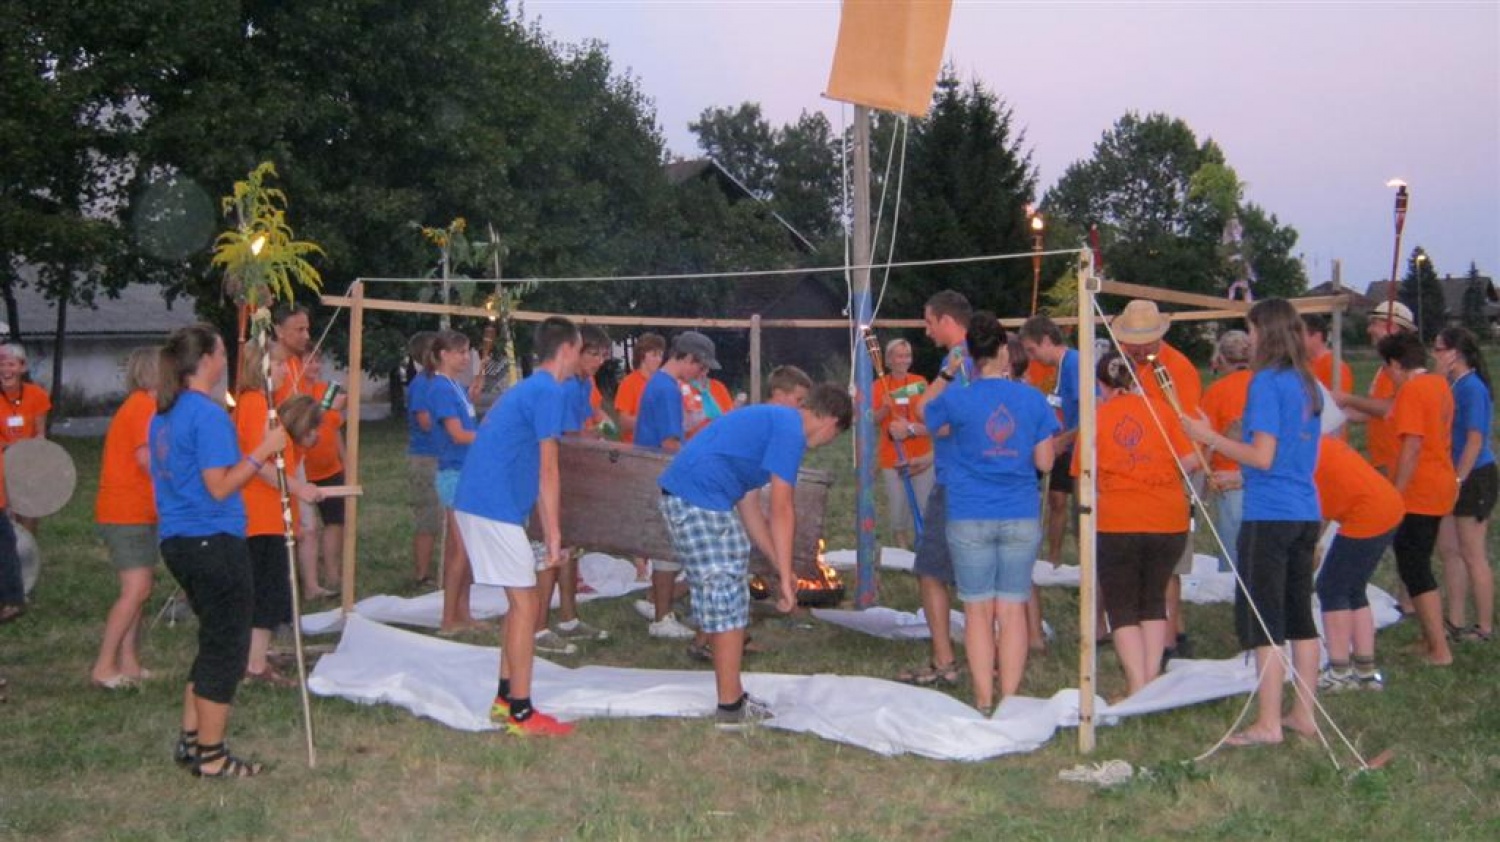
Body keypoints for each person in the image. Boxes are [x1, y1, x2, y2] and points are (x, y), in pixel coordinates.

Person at [659, 383, 852, 728]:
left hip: (693, 498)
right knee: (729, 599)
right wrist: (790, 582)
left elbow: (750, 508)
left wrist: (781, 568)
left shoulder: (775, 423)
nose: (826, 444)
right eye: (833, 436)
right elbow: (782, 508)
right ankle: (731, 707)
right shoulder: (790, 430)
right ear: (830, 421)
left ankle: (731, 696)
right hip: (699, 500)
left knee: (727, 592)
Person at [1181, 298, 1322, 746]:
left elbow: (1262, 455)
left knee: (1267, 620)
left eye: (1253, 330)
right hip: (1304, 508)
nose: (1251, 339)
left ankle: (1268, 723)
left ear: (1266, 332)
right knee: (1301, 617)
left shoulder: (1266, 383)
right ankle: (1303, 714)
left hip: (1271, 513)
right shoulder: (1306, 382)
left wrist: (1210, 438)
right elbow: (1284, 454)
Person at [151, 324, 287, 777]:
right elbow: (220, 485)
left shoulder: (164, 414)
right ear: (206, 358)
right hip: (212, 539)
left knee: (213, 641)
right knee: (228, 648)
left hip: (180, 539)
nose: (227, 357)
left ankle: (192, 739)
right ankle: (212, 755)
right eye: (222, 350)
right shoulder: (205, 415)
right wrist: (262, 452)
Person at [454, 317, 583, 737]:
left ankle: (504, 699)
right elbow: (549, 468)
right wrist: (554, 534)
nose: (580, 359)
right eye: (580, 350)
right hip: (492, 508)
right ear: (566, 350)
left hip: (484, 503)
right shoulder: (549, 390)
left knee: (519, 602)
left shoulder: (532, 388)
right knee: (528, 605)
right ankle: (521, 714)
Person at [922, 313, 1056, 712]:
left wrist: (948, 375)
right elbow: (1046, 463)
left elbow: (923, 414)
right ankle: (1010, 699)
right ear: (1003, 351)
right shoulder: (1032, 398)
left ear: (970, 354)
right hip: (1019, 513)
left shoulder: (958, 397)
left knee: (977, 610)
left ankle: (982, 699)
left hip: (968, 513)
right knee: (1011, 608)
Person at [1083, 352, 1198, 697]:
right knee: (1152, 599)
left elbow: (1083, 471)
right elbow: (1190, 460)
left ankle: (1137, 683)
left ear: (1102, 385)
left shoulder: (1097, 418)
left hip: (1118, 521)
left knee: (1122, 605)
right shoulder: (1162, 410)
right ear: (1136, 379)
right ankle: (1150, 679)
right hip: (1168, 518)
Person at [1111, 299, 1203, 659]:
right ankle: (1156, 631)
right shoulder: (1127, 367)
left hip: (1168, 470)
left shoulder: (1177, 368)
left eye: (1141, 341)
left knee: (1168, 563)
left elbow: (1186, 421)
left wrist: (1182, 469)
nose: (1134, 348)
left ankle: (1170, 637)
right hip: (1135, 473)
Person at [889, 290, 971, 687]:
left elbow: (942, 418)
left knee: (930, 570)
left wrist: (916, 429)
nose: (926, 329)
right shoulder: (987, 357)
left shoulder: (956, 363)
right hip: (980, 480)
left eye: (928, 321)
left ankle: (945, 661)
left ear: (946, 321)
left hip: (957, 483)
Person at [234, 341, 324, 687]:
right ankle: (255, 665)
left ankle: (256, 655)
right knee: (267, 589)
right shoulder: (255, 403)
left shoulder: (258, 403)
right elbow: (260, 463)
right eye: (282, 365)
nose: (288, 370)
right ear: (264, 367)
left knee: (267, 586)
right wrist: (299, 489)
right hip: (259, 513)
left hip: (266, 512)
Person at [533, 324, 613, 655]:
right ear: (573, 351)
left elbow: (584, 425)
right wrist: (589, 437)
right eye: (593, 353)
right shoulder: (558, 387)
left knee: (571, 548)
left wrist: (595, 431)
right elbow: (558, 440)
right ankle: (537, 628)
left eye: (603, 355)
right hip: (550, 476)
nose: (598, 361)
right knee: (549, 551)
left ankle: (568, 617)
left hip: (574, 474)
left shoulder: (583, 384)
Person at [1379, 331, 1458, 665]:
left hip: (1419, 490)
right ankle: (1430, 639)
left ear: (1396, 364)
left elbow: (1412, 445)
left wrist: (1395, 494)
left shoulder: (1412, 390)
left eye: (1388, 370)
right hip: (1439, 482)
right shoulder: (1439, 384)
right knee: (1415, 561)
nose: (1388, 378)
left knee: (1415, 565)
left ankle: (1440, 649)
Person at [635, 331, 717, 640]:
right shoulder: (668, 389)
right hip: (661, 472)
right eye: (702, 367)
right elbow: (670, 443)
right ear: (687, 359)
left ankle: (658, 604)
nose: (702, 374)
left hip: (653, 470)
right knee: (666, 547)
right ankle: (662, 616)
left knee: (665, 546)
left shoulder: (660, 384)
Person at [91, 348, 163, 689]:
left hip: (137, 510)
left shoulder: (143, 406)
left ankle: (128, 661)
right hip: (126, 511)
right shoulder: (143, 407)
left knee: (141, 589)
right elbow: (147, 459)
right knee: (135, 589)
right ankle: (104, 666)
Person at [1313, 435, 1403, 692]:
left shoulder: (1301, 455)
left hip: (1367, 514)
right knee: (1354, 589)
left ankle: (1339, 670)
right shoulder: (1323, 443)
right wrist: (1313, 544)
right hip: (1387, 505)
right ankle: (1366, 669)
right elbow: (1325, 506)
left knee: (1331, 588)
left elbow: (1315, 508)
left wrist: (1310, 547)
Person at [1434, 326, 1496, 642]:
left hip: (1474, 475)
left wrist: (1459, 478)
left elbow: (1474, 439)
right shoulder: (1451, 385)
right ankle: (1454, 620)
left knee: (1473, 552)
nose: (1435, 355)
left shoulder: (1472, 389)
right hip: (1452, 474)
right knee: (1449, 549)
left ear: (1455, 354)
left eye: (1439, 349)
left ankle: (1484, 627)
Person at [429, 329, 482, 634]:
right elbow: (458, 435)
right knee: (460, 549)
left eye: (467, 351)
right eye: (460, 352)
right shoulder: (440, 388)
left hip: (466, 469)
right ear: (443, 355)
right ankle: (449, 618)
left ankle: (463, 612)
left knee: (465, 548)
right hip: (454, 472)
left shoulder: (456, 387)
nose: (465, 357)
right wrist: (490, 436)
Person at [1333, 300, 1416, 470]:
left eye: (1374, 324)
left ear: (1392, 327)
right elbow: (1373, 412)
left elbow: (1390, 408)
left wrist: (1347, 399)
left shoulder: (1402, 368)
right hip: (1382, 460)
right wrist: (1335, 410)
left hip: (1396, 461)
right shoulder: (1384, 367)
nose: (1369, 330)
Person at [872, 338, 935, 551]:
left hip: (921, 453)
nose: (904, 360)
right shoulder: (878, 386)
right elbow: (873, 419)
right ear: (889, 360)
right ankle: (901, 542)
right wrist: (884, 407)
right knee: (899, 504)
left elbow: (929, 414)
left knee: (924, 502)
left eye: (907, 355)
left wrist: (900, 401)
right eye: (899, 356)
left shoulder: (920, 382)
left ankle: (923, 543)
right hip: (893, 456)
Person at [1200, 331, 1253, 572]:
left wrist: (1199, 490)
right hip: (1264, 475)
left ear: (1220, 358)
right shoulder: (1264, 383)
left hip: (1228, 478)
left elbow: (1205, 441)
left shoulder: (1216, 391)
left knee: (1233, 556)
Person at [298, 351, 347, 598]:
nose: (314, 365)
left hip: (330, 467)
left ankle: (332, 571)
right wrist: (327, 410)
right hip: (305, 470)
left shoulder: (327, 389)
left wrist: (344, 459)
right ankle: (310, 580)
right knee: (308, 527)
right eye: (309, 360)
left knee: (335, 521)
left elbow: (335, 429)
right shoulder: (295, 392)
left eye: (318, 360)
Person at [0, 342, 53, 535]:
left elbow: (40, 432)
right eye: (1, 364)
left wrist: (35, 444)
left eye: (11, 364)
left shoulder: (37, 395)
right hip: (2, 460)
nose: (6, 369)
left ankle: (27, 549)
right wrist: (14, 446)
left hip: (28, 459)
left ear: (22, 368)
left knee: (30, 506)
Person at [405, 332, 442, 588]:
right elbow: (425, 421)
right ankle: (421, 574)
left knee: (442, 515)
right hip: (426, 458)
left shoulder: (441, 383)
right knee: (428, 516)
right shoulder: (422, 385)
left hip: (442, 456)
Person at [613, 332, 666, 444]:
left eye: (661, 355)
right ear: (642, 355)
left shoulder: (664, 383)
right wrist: (653, 422)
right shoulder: (628, 383)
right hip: (635, 449)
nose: (659, 360)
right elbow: (624, 422)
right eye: (654, 355)